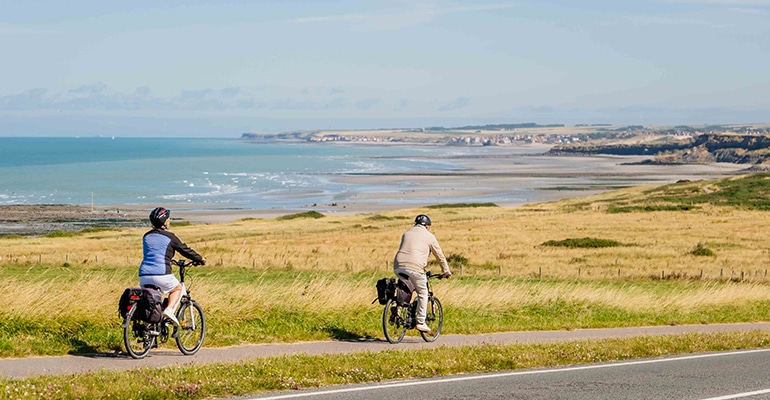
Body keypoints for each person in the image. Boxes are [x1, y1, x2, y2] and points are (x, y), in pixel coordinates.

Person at [138, 207, 205, 326]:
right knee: (176, 288)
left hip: (144, 275)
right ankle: (169, 310)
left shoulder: (146, 236)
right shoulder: (170, 237)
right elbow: (185, 250)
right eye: (168, 219)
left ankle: (148, 329)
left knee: (151, 301)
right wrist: (200, 259)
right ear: (164, 222)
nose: (169, 221)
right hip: (161, 273)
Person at [393, 214, 451, 332]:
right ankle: (420, 322)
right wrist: (446, 271)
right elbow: (439, 256)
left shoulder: (407, 233)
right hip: (416, 267)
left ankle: (396, 305)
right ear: (427, 226)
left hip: (398, 266)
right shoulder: (429, 236)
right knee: (423, 293)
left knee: (405, 287)